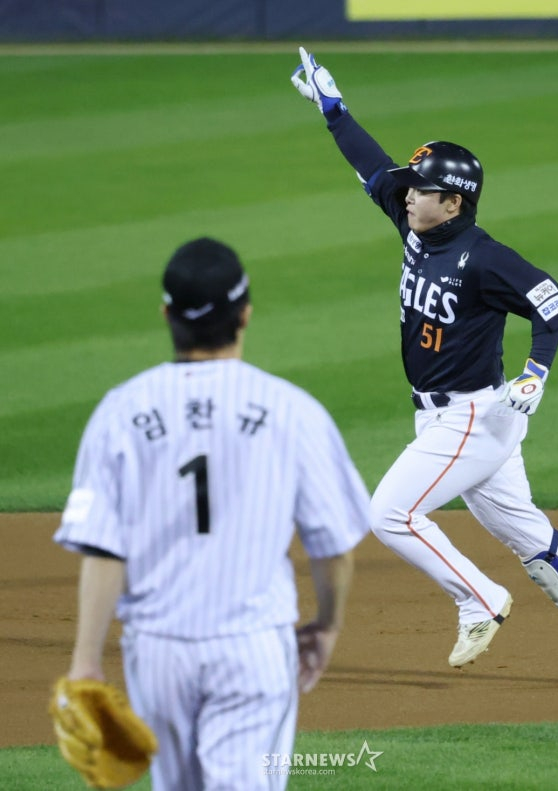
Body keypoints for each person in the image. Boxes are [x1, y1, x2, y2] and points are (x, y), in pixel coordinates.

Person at [290, 47, 558, 686]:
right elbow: (370, 163)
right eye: (412, 184)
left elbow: (554, 306)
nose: (406, 190)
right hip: (456, 420)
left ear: (453, 203)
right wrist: (334, 109)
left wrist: (537, 371)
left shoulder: (486, 257)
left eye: (420, 187)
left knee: (389, 514)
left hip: (472, 418)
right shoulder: (413, 218)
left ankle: (477, 598)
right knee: (523, 531)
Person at [53, 236, 371, 790]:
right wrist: (326, 625)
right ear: (244, 313)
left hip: (156, 649)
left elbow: (104, 547)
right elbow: (333, 548)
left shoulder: (121, 412)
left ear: (167, 315)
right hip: (252, 644)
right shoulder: (291, 411)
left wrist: (84, 661)